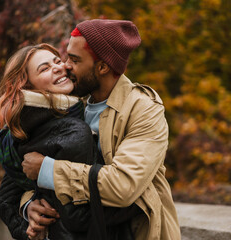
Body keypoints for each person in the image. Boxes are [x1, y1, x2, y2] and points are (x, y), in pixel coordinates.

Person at [21, 19, 181, 239]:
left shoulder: (143, 108)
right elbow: (23, 171)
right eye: (67, 56)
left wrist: (49, 171)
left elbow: (123, 186)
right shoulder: (71, 106)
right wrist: (30, 204)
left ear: (103, 67)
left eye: (75, 60)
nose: (65, 66)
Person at [0, 43, 138, 240]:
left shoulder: (25, 126)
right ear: (27, 86)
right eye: (44, 68)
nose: (57, 67)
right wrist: (138, 200)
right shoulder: (70, 129)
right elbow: (80, 216)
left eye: (57, 61)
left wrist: (29, 211)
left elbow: (5, 199)